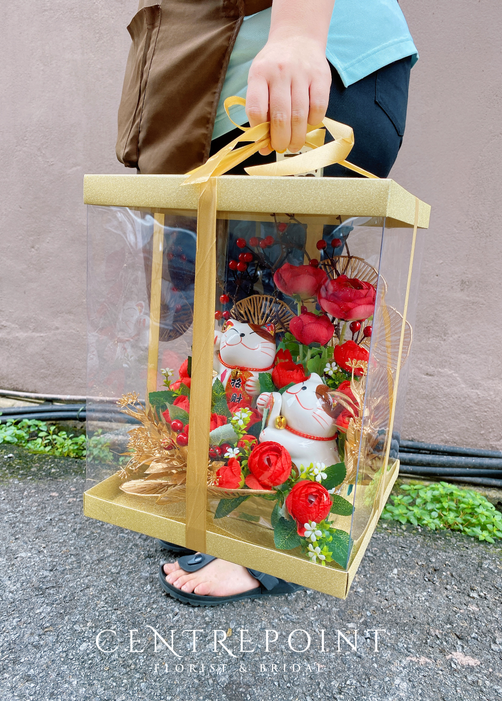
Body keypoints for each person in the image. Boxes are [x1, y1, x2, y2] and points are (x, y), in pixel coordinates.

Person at [116, 0, 418, 605]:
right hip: (226, 82)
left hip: (299, 65)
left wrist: (299, 32)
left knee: (288, 299)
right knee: (248, 300)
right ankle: (229, 500)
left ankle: (272, 541)